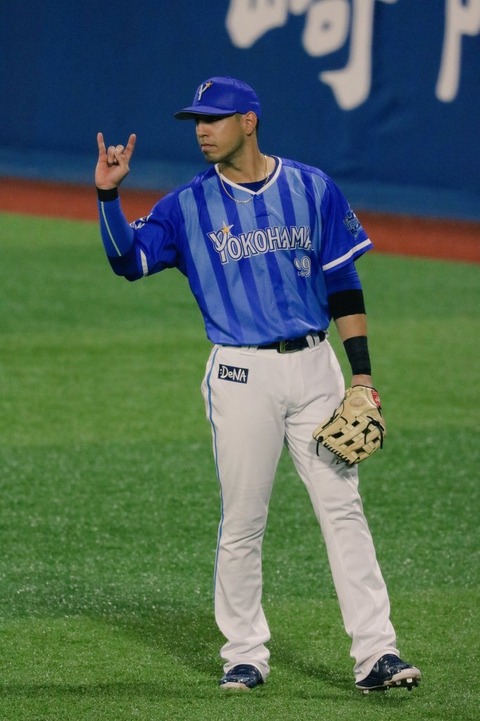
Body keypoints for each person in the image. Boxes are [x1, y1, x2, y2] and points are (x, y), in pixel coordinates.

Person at [94, 76, 421, 694]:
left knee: (343, 509)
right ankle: (244, 653)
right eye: (197, 120)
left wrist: (362, 376)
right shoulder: (186, 206)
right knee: (244, 518)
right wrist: (108, 195)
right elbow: (127, 261)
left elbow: (343, 282)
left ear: (249, 121)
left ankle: (377, 652)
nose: (201, 130)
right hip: (240, 375)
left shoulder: (313, 188)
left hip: (316, 368)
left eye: (213, 118)